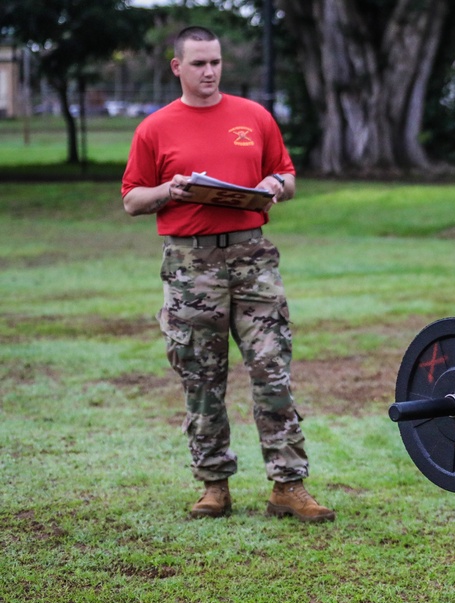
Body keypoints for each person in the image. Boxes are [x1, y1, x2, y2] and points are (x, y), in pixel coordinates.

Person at [122, 25, 335, 523]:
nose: (210, 71)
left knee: (272, 370)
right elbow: (132, 199)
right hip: (191, 266)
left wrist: (275, 185)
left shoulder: (254, 116)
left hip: (253, 259)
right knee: (201, 377)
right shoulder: (154, 128)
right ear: (177, 67)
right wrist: (168, 191)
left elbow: (287, 176)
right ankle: (214, 485)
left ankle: (289, 485)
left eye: (215, 61)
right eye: (198, 63)